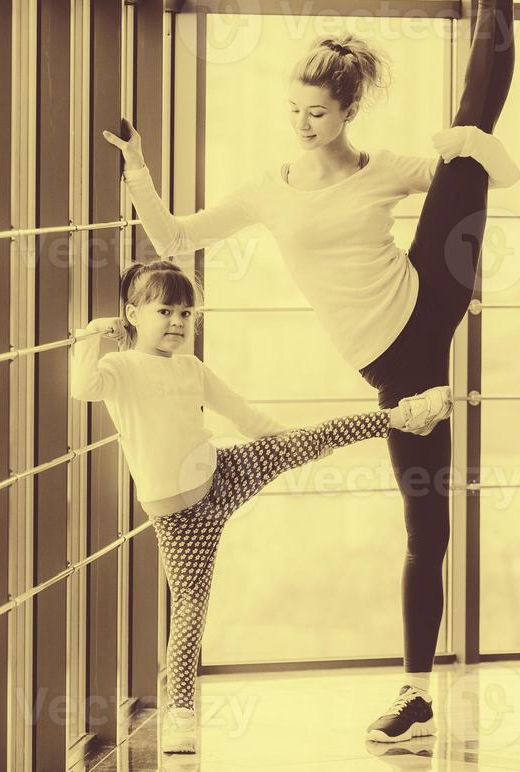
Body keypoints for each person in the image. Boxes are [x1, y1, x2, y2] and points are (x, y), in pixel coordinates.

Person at [103, 0, 520, 742]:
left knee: (469, 137)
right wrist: (138, 168)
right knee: (425, 524)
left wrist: (475, 167)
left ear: (348, 109)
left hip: (425, 303)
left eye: (318, 113)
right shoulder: (270, 190)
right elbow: (177, 238)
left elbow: (459, 174)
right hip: (394, 360)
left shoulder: (387, 171)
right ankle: (418, 693)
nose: (303, 124)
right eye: (293, 111)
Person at [70, 258, 453, 754]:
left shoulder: (192, 369)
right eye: (165, 311)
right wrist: (91, 336)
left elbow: (246, 417)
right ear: (132, 314)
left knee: (309, 439)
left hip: (223, 474)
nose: (177, 323)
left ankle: (403, 416)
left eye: (187, 314)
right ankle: (181, 717)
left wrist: (296, 444)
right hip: (179, 519)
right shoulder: (119, 369)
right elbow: (82, 388)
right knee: (189, 612)